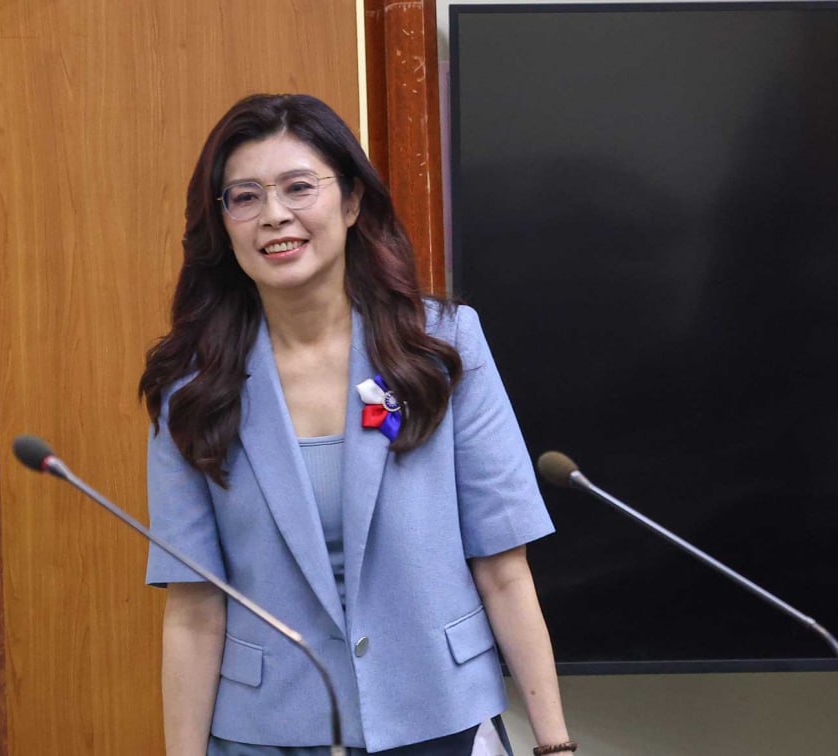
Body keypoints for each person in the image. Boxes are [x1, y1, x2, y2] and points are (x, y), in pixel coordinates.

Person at [140, 93, 574, 756]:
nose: (275, 214)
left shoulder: (441, 348)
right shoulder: (192, 388)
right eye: (246, 197)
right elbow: (194, 609)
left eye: (298, 187)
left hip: (439, 717)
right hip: (269, 734)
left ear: (350, 203)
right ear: (223, 225)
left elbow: (504, 568)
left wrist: (555, 745)